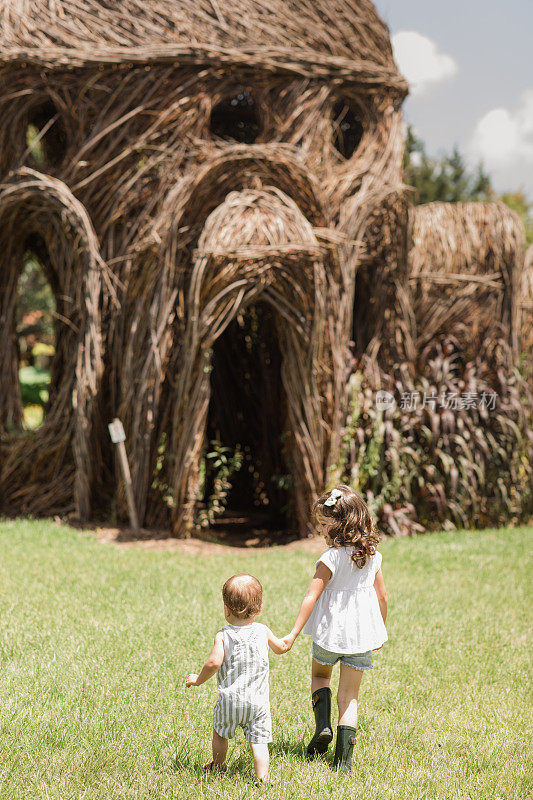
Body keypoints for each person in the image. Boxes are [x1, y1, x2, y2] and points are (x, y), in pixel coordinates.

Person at [283, 485, 388, 773]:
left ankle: (323, 726)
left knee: (320, 675)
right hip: (361, 637)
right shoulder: (373, 556)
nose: (321, 531)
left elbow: (311, 596)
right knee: (350, 697)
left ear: (338, 525)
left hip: (329, 633)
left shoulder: (330, 558)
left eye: (323, 525)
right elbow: (382, 597)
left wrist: (292, 633)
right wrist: (379, 632)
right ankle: (343, 762)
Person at [185, 573, 287, 785]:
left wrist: (197, 680)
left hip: (230, 701)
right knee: (259, 742)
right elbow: (280, 648)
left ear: (226, 609)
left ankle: (219, 765)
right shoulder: (263, 631)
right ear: (259, 609)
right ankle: (262, 777)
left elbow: (213, 663)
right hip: (258, 703)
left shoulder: (224, 635)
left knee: (220, 733)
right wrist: (290, 638)